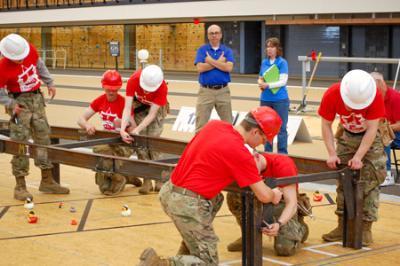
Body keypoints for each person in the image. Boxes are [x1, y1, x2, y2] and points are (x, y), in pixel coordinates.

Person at [137, 106, 284, 266]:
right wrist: (274, 194)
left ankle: (186, 252)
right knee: (207, 262)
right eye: (263, 140)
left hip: (170, 191)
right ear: (255, 132)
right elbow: (263, 195)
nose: (261, 145)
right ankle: (159, 264)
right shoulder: (240, 153)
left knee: (216, 199)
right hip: (187, 203)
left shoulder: (215, 125)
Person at [319, 69, 386, 246]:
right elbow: (326, 125)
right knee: (343, 180)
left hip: (370, 139)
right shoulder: (333, 93)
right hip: (346, 135)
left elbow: (372, 129)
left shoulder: (375, 96)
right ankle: (342, 226)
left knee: (370, 182)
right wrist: (332, 153)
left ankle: (365, 229)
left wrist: (358, 157)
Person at [0, 33, 69, 201]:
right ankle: (20, 185)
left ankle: (47, 180)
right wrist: (9, 104)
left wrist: (49, 82)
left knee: (43, 138)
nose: (22, 61)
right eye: (18, 60)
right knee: (20, 142)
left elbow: (40, 66)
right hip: (18, 105)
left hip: (37, 100)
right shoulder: (2, 67)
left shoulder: (28, 49)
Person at [226, 150, 309, 256]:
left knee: (285, 249)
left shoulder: (283, 165)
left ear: (257, 157)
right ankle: (249, 235)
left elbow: (291, 203)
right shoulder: (243, 165)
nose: (248, 171)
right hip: (262, 197)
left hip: (281, 203)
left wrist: (279, 224)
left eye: (250, 167)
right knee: (234, 195)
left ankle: (301, 228)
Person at [77, 70, 142, 195]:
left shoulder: (124, 103)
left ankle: (119, 178)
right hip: (108, 142)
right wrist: (87, 124)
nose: (111, 92)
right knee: (103, 186)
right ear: (103, 87)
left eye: (115, 89)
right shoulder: (100, 101)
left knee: (103, 153)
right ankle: (127, 176)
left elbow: (134, 128)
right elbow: (80, 119)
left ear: (119, 88)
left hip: (123, 144)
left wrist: (126, 125)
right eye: (108, 89)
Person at [120, 64, 169, 194]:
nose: (147, 90)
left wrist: (138, 128)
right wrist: (123, 128)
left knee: (153, 143)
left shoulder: (162, 87)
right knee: (140, 144)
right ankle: (146, 179)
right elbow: (127, 107)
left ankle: (159, 178)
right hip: (139, 105)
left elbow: (152, 114)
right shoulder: (133, 80)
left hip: (155, 109)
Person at [194, 24, 234, 133]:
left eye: (216, 33)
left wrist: (210, 60)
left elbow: (228, 68)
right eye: (211, 33)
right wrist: (220, 62)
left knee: (228, 125)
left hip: (223, 91)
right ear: (208, 36)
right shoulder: (202, 50)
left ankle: (228, 149)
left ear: (220, 35)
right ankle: (200, 149)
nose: (214, 35)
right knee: (200, 126)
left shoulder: (227, 51)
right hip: (205, 91)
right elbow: (200, 68)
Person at [257, 37, 289, 154]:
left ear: (277, 49)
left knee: (281, 128)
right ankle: (268, 153)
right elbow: (260, 77)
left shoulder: (282, 62)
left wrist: (267, 85)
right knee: (266, 128)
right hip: (265, 99)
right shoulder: (264, 62)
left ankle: (282, 154)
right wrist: (260, 83)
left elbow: (283, 81)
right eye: (268, 47)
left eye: (272, 47)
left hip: (280, 100)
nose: (269, 49)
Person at [371, 72, 400, 186]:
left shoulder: (396, 98)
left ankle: (387, 174)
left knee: (383, 136)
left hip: (397, 133)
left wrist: (383, 127)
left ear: (382, 84)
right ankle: (369, 171)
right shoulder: (373, 98)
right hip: (389, 132)